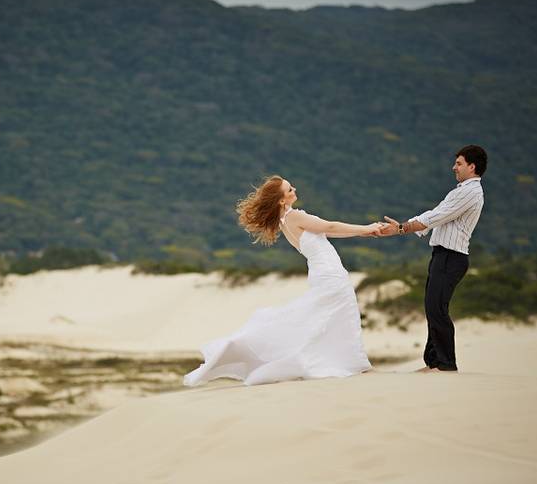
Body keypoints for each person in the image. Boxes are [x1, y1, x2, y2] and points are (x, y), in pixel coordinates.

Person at [183, 175, 384, 387]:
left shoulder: (285, 221)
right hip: (329, 272)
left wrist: (361, 234)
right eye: (289, 190)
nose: (294, 189)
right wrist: (366, 228)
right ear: (282, 200)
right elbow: (330, 226)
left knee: (335, 316)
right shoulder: (294, 217)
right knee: (340, 315)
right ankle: (354, 364)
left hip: (322, 271)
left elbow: (325, 231)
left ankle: (353, 363)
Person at [379, 145, 487, 373]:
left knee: (437, 308)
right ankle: (434, 362)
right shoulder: (461, 190)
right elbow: (435, 214)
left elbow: (436, 216)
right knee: (432, 307)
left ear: (472, 166)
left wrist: (400, 228)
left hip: (452, 256)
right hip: (443, 255)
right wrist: (403, 227)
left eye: (459, 163)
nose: (454, 167)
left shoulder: (470, 191)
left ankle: (446, 364)